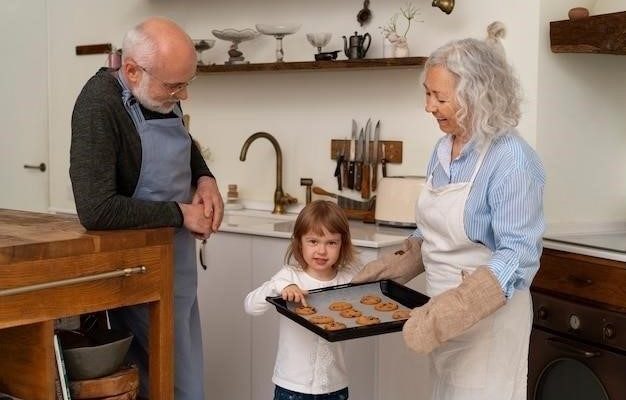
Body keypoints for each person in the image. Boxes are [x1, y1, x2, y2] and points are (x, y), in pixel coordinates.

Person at [353, 22, 545, 400]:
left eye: (439, 97)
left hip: (488, 325)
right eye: (427, 94)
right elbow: (435, 231)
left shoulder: (513, 161)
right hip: (441, 317)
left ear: (476, 95)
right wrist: (393, 268)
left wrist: (451, 311)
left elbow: (519, 256)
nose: (428, 107)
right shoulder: (443, 151)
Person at [69, 17, 224, 400]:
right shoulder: (99, 105)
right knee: (162, 384)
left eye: (188, 83)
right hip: (135, 273)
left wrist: (205, 179)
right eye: (175, 85)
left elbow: (184, 142)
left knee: (184, 378)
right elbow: (97, 209)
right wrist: (181, 214)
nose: (183, 95)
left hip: (176, 266)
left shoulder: (156, 92)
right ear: (132, 70)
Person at [244, 200, 359, 400]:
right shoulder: (289, 277)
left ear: (343, 244)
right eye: (313, 241)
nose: (322, 251)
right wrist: (278, 287)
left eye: (331, 242)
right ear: (299, 242)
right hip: (291, 387)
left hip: (334, 388)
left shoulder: (349, 280)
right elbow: (250, 306)